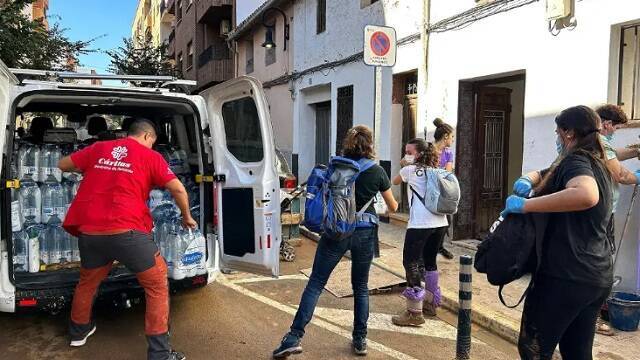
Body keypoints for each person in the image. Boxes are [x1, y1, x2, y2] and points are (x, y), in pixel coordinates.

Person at [59, 119, 195, 360]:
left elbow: (63, 164)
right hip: (129, 234)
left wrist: (93, 169)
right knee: (156, 285)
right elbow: (178, 189)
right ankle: (160, 354)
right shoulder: (150, 156)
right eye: (152, 142)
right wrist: (186, 217)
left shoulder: (99, 148)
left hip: (91, 234)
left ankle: (78, 331)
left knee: (87, 282)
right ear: (147, 137)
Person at [272, 125, 398, 358]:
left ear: (348, 144)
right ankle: (360, 340)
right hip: (364, 234)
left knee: (316, 284)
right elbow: (393, 207)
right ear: (370, 145)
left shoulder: (336, 167)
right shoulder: (377, 172)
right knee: (360, 287)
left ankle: (293, 337)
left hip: (335, 231)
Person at [504, 106, 613, 359]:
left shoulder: (576, 161)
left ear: (568, 133)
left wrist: (526, 205)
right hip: (595, 276)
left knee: (533, 349)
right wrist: (528, 180)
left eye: (557, 132)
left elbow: (586, 194)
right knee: (576, 351)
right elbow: (545, 173)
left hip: (565, 275)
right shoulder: (599, 165)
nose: (556, 138)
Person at [391, 139, 448, 326]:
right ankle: (431, 304)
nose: (406, 154)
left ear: (418, 154)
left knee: (411, 262)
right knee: (430, 263)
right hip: (440, 222)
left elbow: (395, 181)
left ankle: (414, 312)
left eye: (409, 151)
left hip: (420, 224)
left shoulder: (409, 170)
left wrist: (404, 164)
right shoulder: (438, 171)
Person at [432, 118, 455, 260]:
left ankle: (439, 247)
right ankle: (431, 248)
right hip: (429, 191)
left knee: (446, 221)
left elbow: (448, 173)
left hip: (443, 191)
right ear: (445, 136)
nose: (452, 140)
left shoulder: (448, 153)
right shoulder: (428, 149)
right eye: (452, 136)